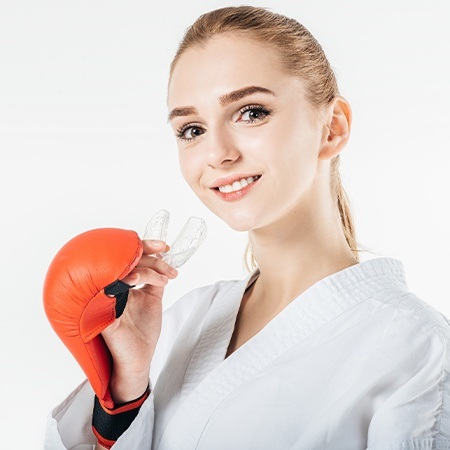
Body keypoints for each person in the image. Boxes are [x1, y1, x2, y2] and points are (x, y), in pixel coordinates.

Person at [44, 5, 450, 449]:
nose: (216, 153)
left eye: (251, 112)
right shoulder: (185, 321)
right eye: (192, 129)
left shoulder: (416, 349)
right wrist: (125, 391)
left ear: (331, 127)